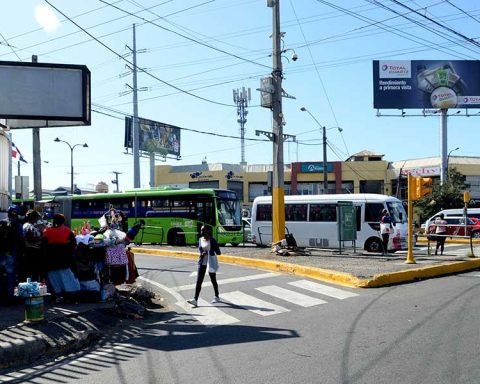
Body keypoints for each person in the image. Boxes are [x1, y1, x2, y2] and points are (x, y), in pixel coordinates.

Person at [42, 213, 80, 302]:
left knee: (53, 278)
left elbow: (43, 247)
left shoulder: (47, 231)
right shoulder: (68, 231)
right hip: (64, 260)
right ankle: (69, 295)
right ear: (63, 221)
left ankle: (55, 295)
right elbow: (73, 245)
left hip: (51, 260)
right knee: (66, 278)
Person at [187, 225, 221, 307]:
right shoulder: (200, 240)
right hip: (202, 263)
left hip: (211, 263)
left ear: (207, 231)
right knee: (199, 281)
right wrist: (202, 253)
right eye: (201, 230)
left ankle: (217, 296)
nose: (201, 231)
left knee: (213, 280)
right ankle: (195, 299)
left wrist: (211, 251)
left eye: (203, 230)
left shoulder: (212, 240)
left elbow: (219, 252)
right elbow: (200, 250)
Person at [0, 205, 24, 304]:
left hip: (1, 253)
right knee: (10, 276)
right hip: (11, 253)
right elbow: (21, 239)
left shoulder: (1, 222)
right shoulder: (17, 225)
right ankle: (9, 297)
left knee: (1, 275)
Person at [21, 209, 44, 282]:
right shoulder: (29, 226)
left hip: (31, 252)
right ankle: (33, 287)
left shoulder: (28, 225)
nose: (37, 219)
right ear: (34, 218)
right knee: (34, 271)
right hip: (32, 252)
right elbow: (30, 238)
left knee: (33, 272)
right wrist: (41, 237)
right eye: (37, 217)